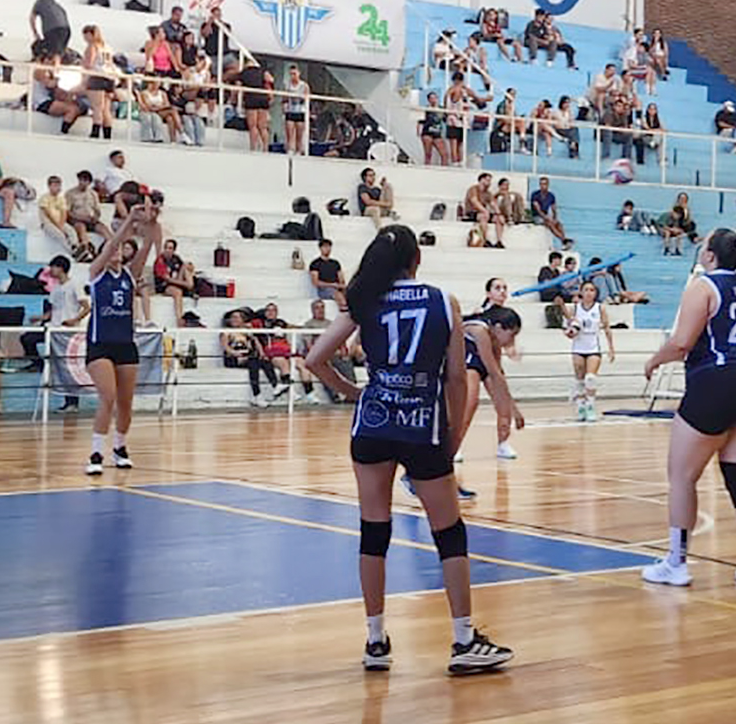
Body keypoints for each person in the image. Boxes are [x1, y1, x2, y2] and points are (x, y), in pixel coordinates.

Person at [304, 225, 513, 673]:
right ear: (417, 259)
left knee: (373, 531)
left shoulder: (367, 298)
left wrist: (352, 392)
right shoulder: (444, 300)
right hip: (423, 423)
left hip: (375, 421)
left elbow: (314, 358)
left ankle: (376, 641)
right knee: (448, 532)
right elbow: (457, 378)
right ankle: (462, 640)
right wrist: (451, 435)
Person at [641, 229, 736, 587]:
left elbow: (682, 342)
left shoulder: (703, 286)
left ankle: (676, 563)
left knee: (682, 476)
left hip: (717, 381)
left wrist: (654, 361)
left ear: (709, 256)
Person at [83, 204, 157, 475]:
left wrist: (151, 224)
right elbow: (112, 244)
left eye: (120, 250)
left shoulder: (128, 275)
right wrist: (128, 221)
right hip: (100, 344)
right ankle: (95, 452)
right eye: (112, 249)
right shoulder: (96, 273)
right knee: (108, 396)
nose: (116, 252)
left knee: (126, 401)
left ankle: (120, 447)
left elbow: (147, 247)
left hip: (125, 344)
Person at [456, 303, 525, 463]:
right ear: (499, 327)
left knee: (501, 402)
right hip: (467, 361)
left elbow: (499, 373)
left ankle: (503, 442)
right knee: (470, 403)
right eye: (512, 334)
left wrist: (512, 408)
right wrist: (516, 411)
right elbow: (493, 371)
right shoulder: (479, 330)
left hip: (484, 363)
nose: (512, 340)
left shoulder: (495, 338)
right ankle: (455, 444)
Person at [22, 254, 89, 411]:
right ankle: (38, 364)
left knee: (67, 366)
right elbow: (53, 310)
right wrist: (40, 318)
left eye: (53, 266)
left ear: (61, 268)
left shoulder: (74, 285)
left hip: (67, 332)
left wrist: (74, 320)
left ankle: (72, 402)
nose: (51, 270)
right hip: (53, 328)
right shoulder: (56, 288)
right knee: (28, 339)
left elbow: (86, 307)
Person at [564, 281, 615, 422]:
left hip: (593, 346)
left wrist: (611, 348)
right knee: (579, 380)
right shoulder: (574, 309)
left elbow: (607, 328)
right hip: (578, 346)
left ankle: (591, 406)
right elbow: (566, 329)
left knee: (590, 378)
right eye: (586, 289)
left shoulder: (600, 309)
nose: (589, 292)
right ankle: (581, 406)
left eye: (592, 290)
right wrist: (570, 331)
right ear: (581, 292)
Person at [223, 309, 279, 407]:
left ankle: (275, 386)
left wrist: (262, 353)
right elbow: (226, 348)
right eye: (232, 317)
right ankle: (256, 394)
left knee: (264, 361)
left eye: (237, 317)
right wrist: (237, 354)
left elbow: (256, 342)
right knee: (253, 362)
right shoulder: (226, 332)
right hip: (233, 357)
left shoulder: (247, 331)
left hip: (248, 355)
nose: (234, 320)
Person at [31, 55, 87, 136]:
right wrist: (57, 80)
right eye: (53, 63)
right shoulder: (40, 70)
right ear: (46, 60)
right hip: (42, 102)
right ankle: (63, 132)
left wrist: (71, 94)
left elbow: (57, 92)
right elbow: (49, 84)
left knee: (77, 107)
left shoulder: (51, 73)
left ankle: (66, 128)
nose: (56, 66)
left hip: (50, 101)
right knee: (72, 109)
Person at [79, 25, 115, 139]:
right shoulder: (107, 47)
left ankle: (95, 133)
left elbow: (89, 64)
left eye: (85, 35)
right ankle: (107, 134)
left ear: (89, 34)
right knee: (106, 109)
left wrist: (83, 68)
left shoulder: (92, 46)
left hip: (97, 77)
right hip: (109, 77)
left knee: (97, 107)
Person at [153, 238, 197, 324]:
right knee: (177, 292)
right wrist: (185, 284)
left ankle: (190, 287)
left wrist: (190, 267)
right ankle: (179, 318)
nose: (167, 250)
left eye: (170, 248)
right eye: (166, 248)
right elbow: (167, 279)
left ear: (174, 250)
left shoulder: (176, 258)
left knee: (186, 265)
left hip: (175, 281)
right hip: (164, 286)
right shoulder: (160, 260)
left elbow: (185, 268)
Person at [67, 170, 110, 252]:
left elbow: (97, 210)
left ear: (89, 182)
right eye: (81, 180)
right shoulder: (70, 193)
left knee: (104, 230)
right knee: (81, 228)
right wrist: (81, 218)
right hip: (76, 219)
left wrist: (95, 217)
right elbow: (68, 212)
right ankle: (86, 249)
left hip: (90, 219)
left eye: (85, 180)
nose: (82, 183)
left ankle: (108, 249)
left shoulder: (93, 194)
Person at [236, 60, 273, 152]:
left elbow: (238, 86)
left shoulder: (244, 73)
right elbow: (270, 80)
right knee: (262, 126)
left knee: (253, 126)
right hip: (263, 97)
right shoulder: (262, 71)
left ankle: (253, 147)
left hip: (251, 98)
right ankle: (265, 148)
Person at [462, 172, 505, 249]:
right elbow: (475, 202)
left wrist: (498, 214)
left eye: (490, 181)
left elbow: (493, 204)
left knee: (499, 219)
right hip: (472, 212)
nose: (489, 183)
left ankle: (499, 241)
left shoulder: (488, 193)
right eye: (487, 180)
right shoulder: (473, 189)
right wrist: (485, 211)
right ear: (481, 180)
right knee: (483, 216)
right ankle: (484, 240)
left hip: (484, 212)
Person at [530, 176, 573, 249]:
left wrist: (555, 218)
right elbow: (538, 210)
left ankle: (563, 242)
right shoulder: (535, 195)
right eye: (541, 184)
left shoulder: (551, 196)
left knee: (558, 224)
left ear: (548, 185)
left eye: (544, 184)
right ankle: (564, 240)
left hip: (546, 215)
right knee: (549, 223)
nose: (543, 186)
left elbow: (554, 208)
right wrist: (546, 217)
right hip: (537, 216)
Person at [310, 238, 346, 309]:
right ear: (320, 248)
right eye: (325, 247)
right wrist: (332, 285)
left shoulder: (335, 263)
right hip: (325, 289)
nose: (327, 249)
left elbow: (341, 278)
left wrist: (341, 286)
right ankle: (344, 311)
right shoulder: (315, 264)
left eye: (329, 247)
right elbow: (315, 282)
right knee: (338, 295)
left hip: (337, 287)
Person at [284, 64, 311, 156]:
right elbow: (285, 98)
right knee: (289, 131)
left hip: (300, 111)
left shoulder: (304, 86)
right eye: (291, 74)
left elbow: (306, 99)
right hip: (290, 110)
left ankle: (299, 149)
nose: (292, 76)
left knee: (299, 133)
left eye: (294, 74)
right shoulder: (288, 85)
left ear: (299, 73)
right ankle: (290, 148)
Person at [420, 92, 451, 166]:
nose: (433, 100)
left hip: (437, 133)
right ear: (428, 100)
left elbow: (446, 119)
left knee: (444, 154)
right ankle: (427, 168)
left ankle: (444, 170)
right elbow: (421, 121)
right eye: (431, 98)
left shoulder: (441, 109)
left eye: (435, 98)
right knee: (428, 154)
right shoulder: (426, 109)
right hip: (427, 132)